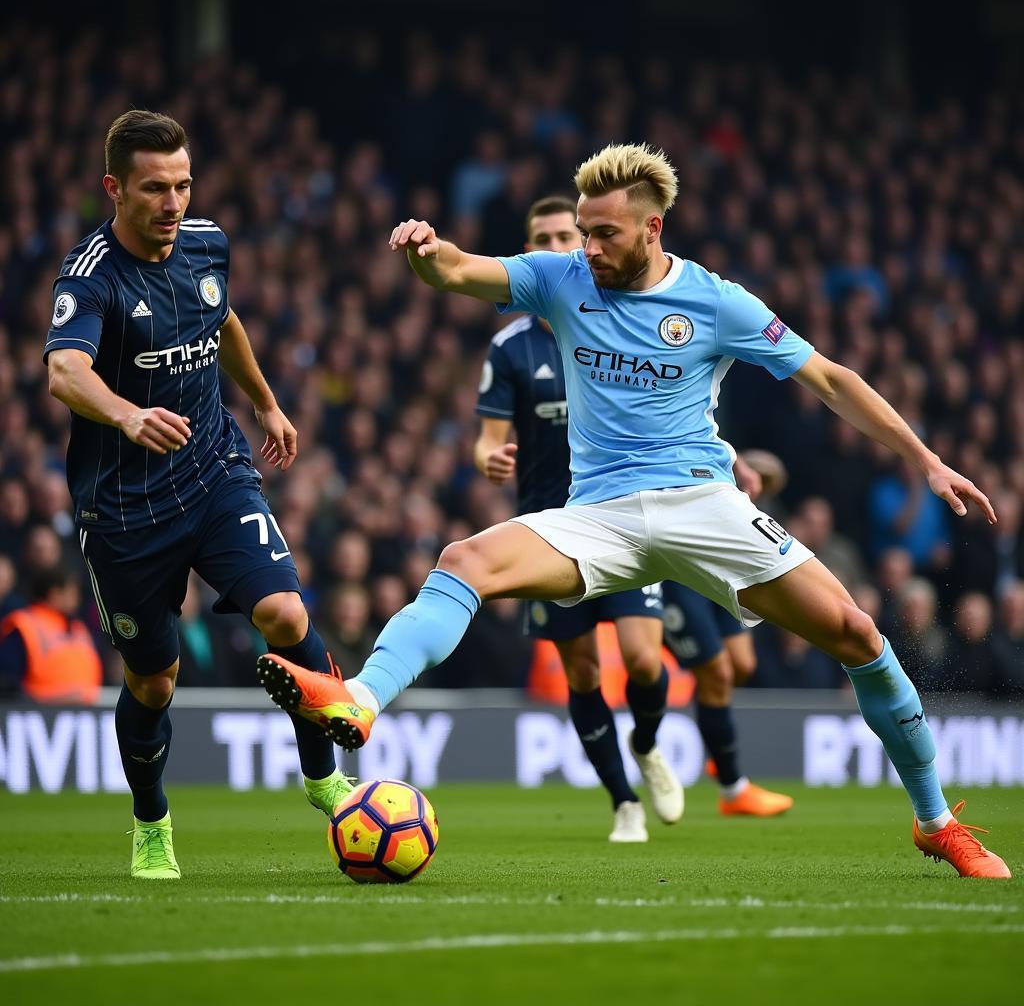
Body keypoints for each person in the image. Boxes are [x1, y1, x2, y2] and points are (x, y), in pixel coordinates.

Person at [262, 143, 1010, 879]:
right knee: (464, 559)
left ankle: (935, 820)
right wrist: (426, 253)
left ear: (652, 229)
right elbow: (458, 269)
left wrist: (928, 461)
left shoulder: (716, 300)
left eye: (605, 233)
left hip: (704, 504)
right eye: (582, 231)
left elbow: (831, 379)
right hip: (600, 516)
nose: (588, 247)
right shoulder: (560, 279)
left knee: (857, 633)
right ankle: (359, 699)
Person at [45, 110, 352, 880]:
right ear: (114, 188)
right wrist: (124, 412)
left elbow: (222, 318)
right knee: (154, 679)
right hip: (123, 509)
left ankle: (322, 776)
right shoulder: (91, 279)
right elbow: (64, 371)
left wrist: (265, 400)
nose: (173, 202)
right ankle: (151, 822)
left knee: (286, 612)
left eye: (183, 184)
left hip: (214, 470)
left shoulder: (207, 244)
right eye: (155, 188)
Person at [474, 194, 681, 843]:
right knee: (584, 672)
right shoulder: (509, 347)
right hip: (548, 533)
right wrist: (490, 459)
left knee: (645, 661)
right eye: (541, 237)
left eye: (567, 234)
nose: (556, 245)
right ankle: (623, 802)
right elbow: (487, 438)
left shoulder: (621, 320)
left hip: (624, 519)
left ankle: (647, 743)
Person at [660, 449, 794, 817]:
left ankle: (717, 742)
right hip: (676, 573)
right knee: (716, 673)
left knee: (742, 664)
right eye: (756, 477)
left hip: (716, 576)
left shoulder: (742, 512)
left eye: (766, 485)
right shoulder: (704, 465)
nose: (758, 486)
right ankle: (732, 788)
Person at [0, 566, 102, 703]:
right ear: (55, 594)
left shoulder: (79, 628)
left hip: (85, 715)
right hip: (38, 715)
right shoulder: (24, 625)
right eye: (72, 592)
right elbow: (9, 683)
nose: (77, 599)